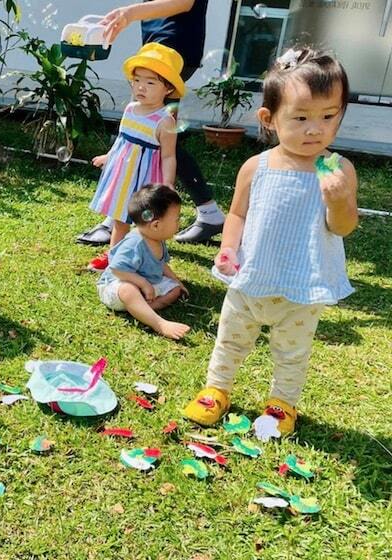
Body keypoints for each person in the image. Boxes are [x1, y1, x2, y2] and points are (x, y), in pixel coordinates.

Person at [183, 48, 357, 436]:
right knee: (229, 339)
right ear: (270, 119)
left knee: (292, 351)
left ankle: (282, 403)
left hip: (301, 286)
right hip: (252, 276)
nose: (315, 128)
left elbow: (343, 228)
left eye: (329, 116)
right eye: (301, 118)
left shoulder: (337, 168)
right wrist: (229, 248)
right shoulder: (256, 166)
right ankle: (217, 389)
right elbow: (238, 215)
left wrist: (340, 200)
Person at [77, 0, 225, 247]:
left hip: (173, 50)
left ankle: (119, 219)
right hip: (157, 45)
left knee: (158, 132)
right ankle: (208, 212)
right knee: (153, 132)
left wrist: (129, 13)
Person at [87, 42, 182, 271]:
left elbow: (169, 156)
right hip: (123, 177)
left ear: (167, 89)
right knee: (120, 221)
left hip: (145, 181)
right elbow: (121, 140)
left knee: (146, 226)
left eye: (150, 82)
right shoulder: (130, 109)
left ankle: (151, 263)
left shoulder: (164, 121)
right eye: (137, 80)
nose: (141, 87)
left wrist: (168, 183)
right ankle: (113, 258)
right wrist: (108, 156)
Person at [97, 184, 190, 340]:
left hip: (145, 289)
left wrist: (177, 281)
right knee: (128, 289)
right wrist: (143, 284)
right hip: (116, 287)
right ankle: (159, 324)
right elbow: (117, 269)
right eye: (176, 219)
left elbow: (162, 264)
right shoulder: (135, 242)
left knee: (174, 290)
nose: (178, 224)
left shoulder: (157, 239)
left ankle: (142, 310)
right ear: (156, 225)